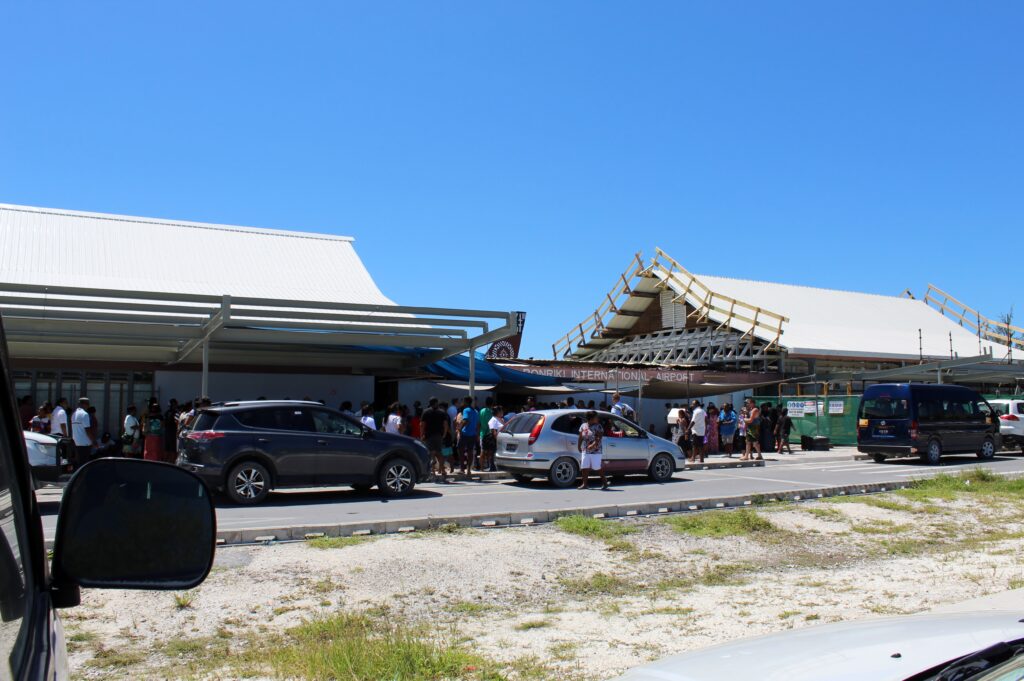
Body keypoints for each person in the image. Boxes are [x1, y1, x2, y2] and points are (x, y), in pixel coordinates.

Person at [421, 397, 451, 482]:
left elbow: (422, 424)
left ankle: (433, 472)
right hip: (439, 435)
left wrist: (421, 435)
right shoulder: (442, 412)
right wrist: (444, 434)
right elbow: (445, 424)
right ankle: (442, 471)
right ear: (436, 403)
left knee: (431, 454)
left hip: (428, 436)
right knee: (439, 453)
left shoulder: (425, 412)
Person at [577, 410, 609, 490]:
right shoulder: (583, 426)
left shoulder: (598, 426)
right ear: (591, 418)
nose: (598, 418)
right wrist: (579, 446)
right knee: (584, 466)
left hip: (596, 451)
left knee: (596, 467)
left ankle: (605, 482)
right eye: (596, 417)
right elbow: (581, 436)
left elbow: (599, 437)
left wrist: (593, 444)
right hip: (585, 449)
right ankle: (584, 484)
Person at [456, 396, 479, 474]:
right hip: (473, 434)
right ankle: (469, 469)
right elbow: (478, 424)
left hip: (465, 433)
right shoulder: (475, 411)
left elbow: (466, 420)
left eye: (463, 401)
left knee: (460, 450)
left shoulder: (466, 410)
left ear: (466, 402)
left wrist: (460, 428)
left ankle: (462, 469)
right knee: (470, 451)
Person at [71, 397, 95, 467]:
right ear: (85, 404)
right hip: (85, 444)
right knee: (85, 464)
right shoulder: (85, 414)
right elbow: (87, 430)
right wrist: (93, 441)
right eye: (88, 404)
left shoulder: (74, 414)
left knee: (79, 463)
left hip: (77, 443)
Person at [482, 406, 504, 472]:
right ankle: (492, 466)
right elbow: (493, 431)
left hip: (502, 439)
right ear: (498, 412)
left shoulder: (501, 419)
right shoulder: (493, 420)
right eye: (501, 411)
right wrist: (497, 439)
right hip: (495, 439)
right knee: (493, 453)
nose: (502, 412)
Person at [689, 400, 706, 464]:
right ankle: (701, 459)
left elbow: (693, 421)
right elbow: (706, 420)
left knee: (694, 445)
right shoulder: (703, 411)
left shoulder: (696, 412)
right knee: (701, 446)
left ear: (696, 405)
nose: (691, 405)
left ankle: (693, 458)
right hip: (702, 430)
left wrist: (688, 429)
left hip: (696, 431)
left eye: (693, 404)